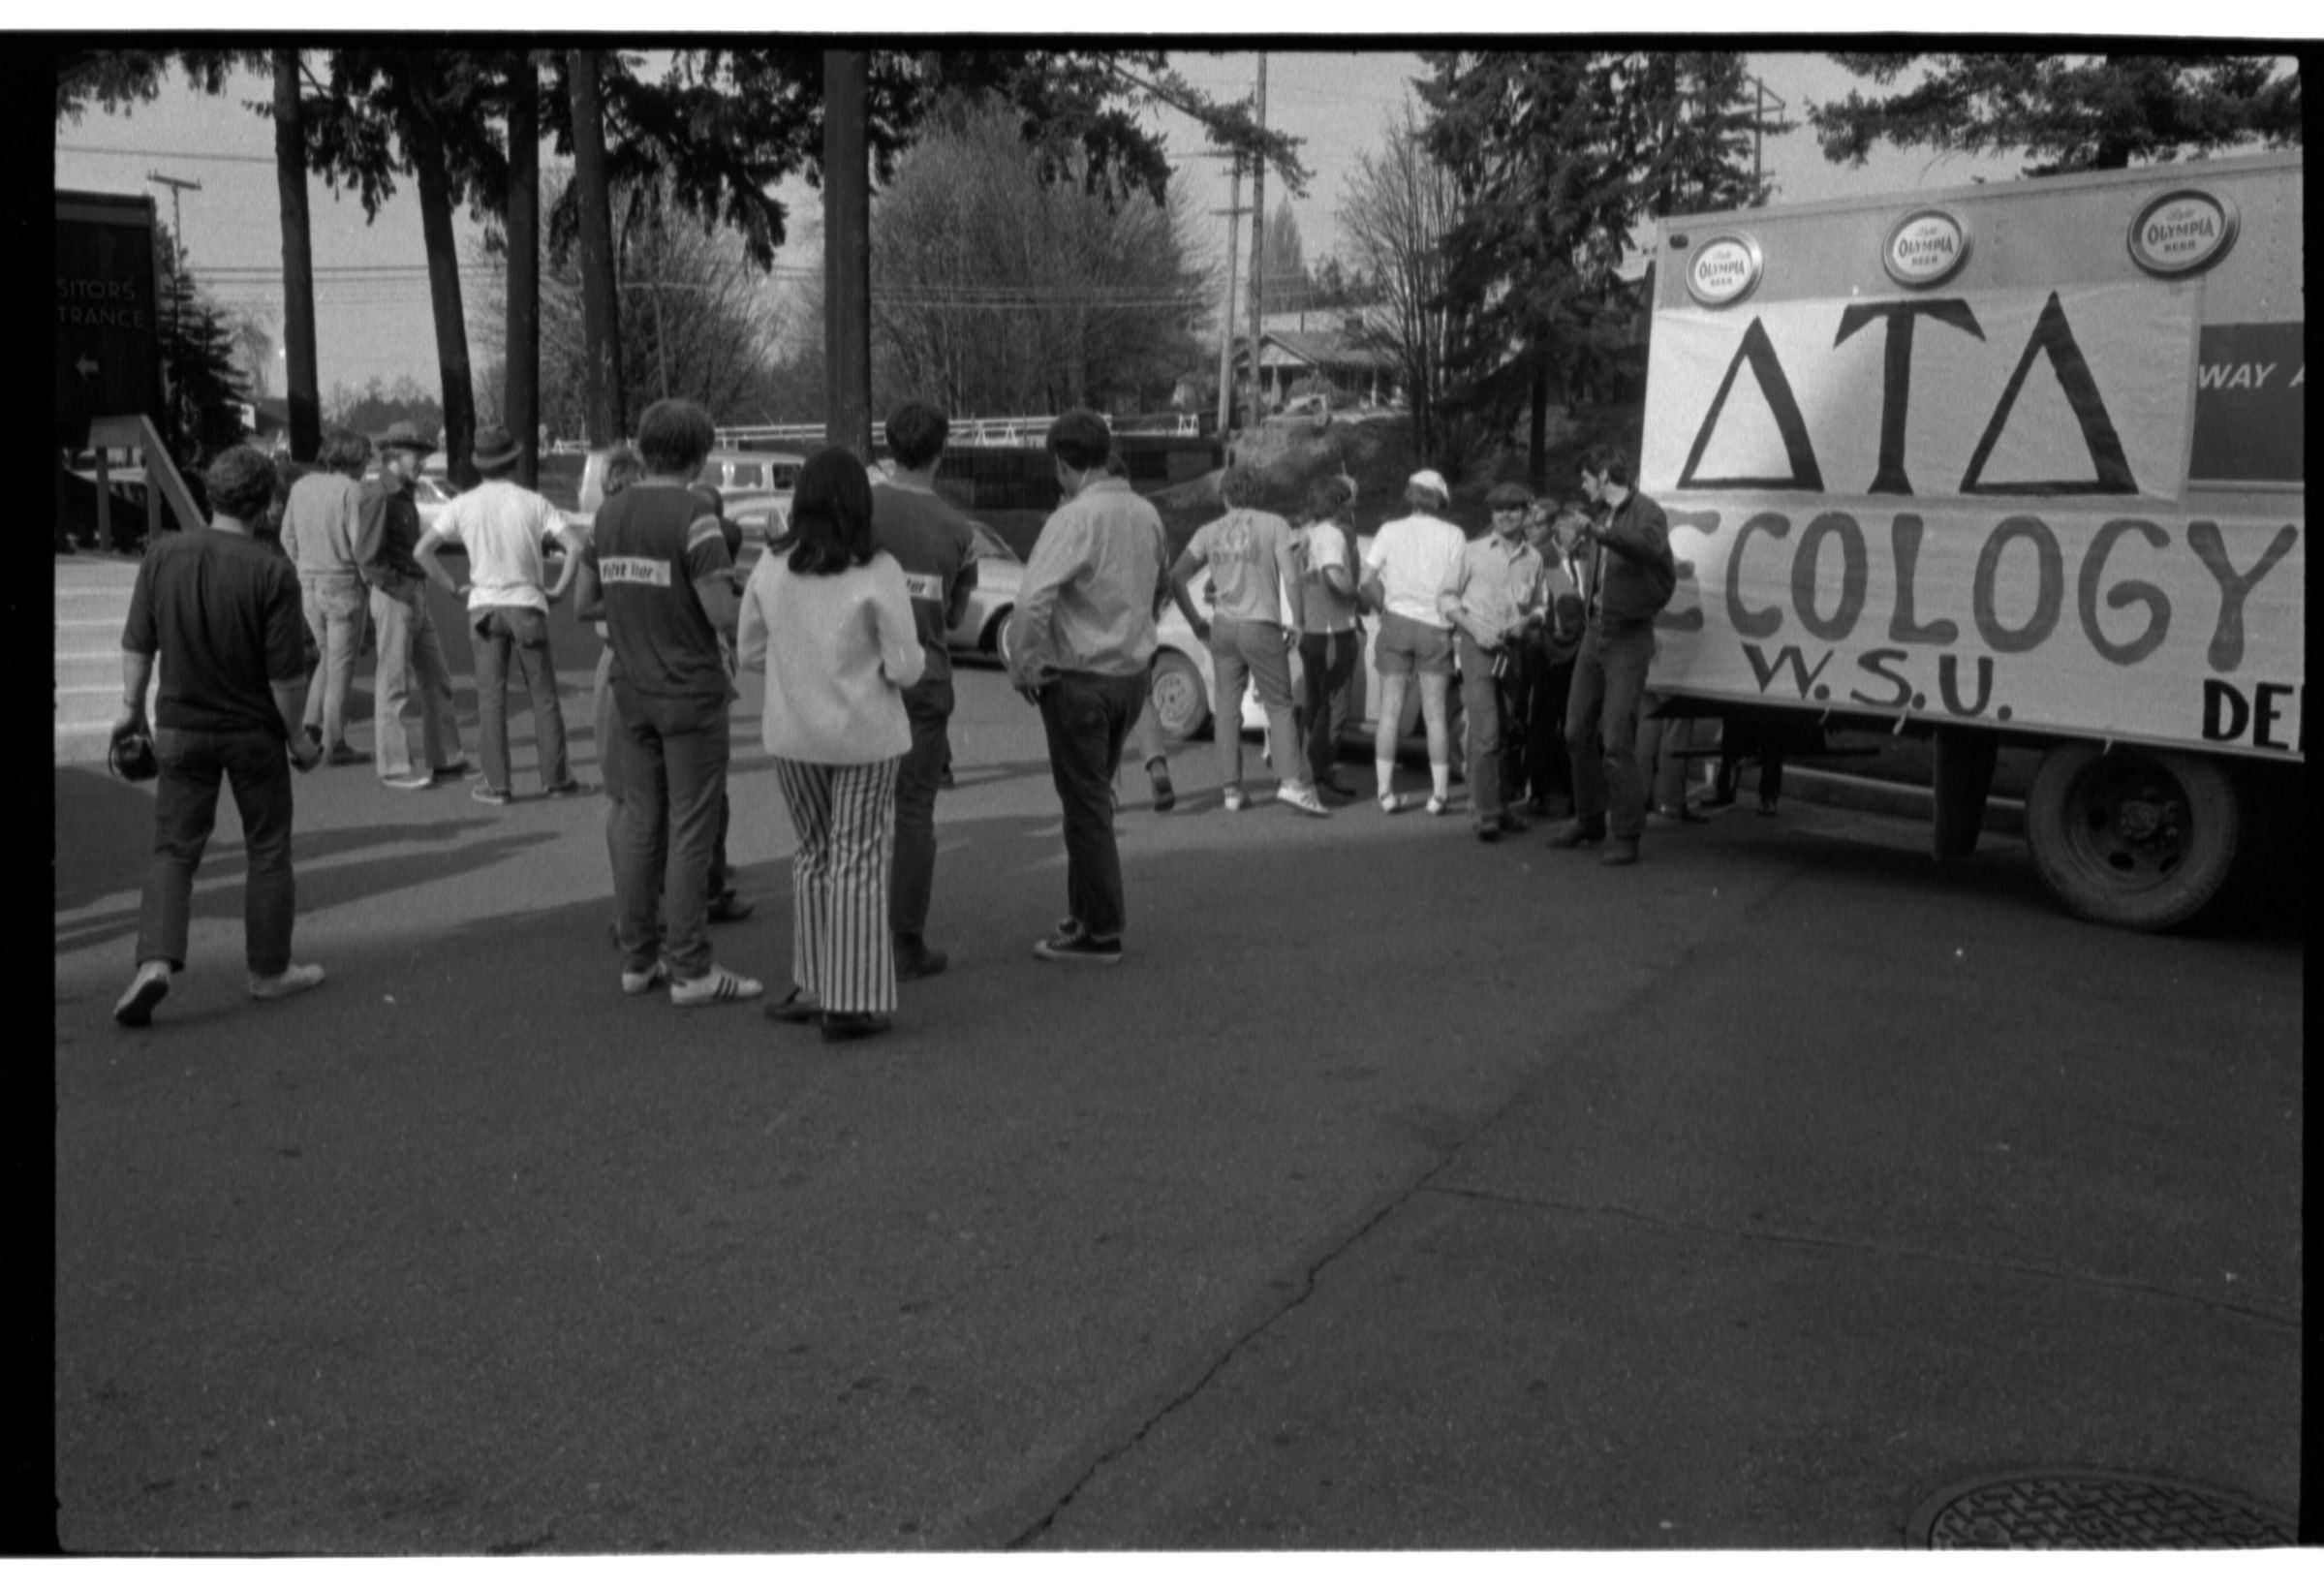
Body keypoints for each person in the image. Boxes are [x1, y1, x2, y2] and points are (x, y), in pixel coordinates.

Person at [111, 446, 325, 1026]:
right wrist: (298, 739)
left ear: (211, 493)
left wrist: (130, 711)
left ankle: (155, 962)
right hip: (252, 733)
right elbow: (286, 678)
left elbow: (137, 645)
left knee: (173, 850)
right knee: (268, 848)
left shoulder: (163, 555)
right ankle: (270, 971)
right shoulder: (272, 571)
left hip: (180, 727)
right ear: (266, 502)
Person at [574, 398, 762, 1008]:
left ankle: (638, 959)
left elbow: (584, 602)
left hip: (630, 687)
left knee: (639, 820)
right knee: (691, 829)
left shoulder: (608, 515)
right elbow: (722, 614)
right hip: (689, 693)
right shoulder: (696, 517)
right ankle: (690, 968)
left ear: (645, 447)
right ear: (700, 455)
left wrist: (639, 608)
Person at [737, 448, 926, 1042]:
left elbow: (749, 651)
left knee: (812, 853)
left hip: (793, 733)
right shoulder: (879, 569)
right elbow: (905, 666)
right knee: (858, 857)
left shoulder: (771, 565)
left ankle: (813, 983)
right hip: (865, 734)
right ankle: (849, 999)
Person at [1004, 410, 1171, 964]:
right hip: (1131, 676)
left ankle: (1100, 929)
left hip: (1080, 679)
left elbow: (1031, 600)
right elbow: (1161, 581)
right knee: (1092, 799)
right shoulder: (1146, 513)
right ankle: (1085, 911)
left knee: (1086, 808)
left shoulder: (1073, 519)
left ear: (1061, 464)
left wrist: (1025, 664)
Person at [414, 423, 585, 804]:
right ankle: (556, 780)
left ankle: (498, 784)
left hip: (484, 606)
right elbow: (574, 546)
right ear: (514, 460)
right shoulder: (533, 502)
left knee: (491, 701)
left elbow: (422, 550)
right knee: (544, 697)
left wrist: (451, 585)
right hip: (527, 603)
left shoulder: (462, 504)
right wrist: (558, 589)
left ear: (479, 464)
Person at [869, 401, 980, 980]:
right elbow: (957, 616)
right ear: (941, 452)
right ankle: (906, 941)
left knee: (854, 812)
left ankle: (849, 939)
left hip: (861, 677)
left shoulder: (860, 509)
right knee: (914, 813)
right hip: (925, 679)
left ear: (889, 448)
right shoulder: (960, 530)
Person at [1168, 464, 1326, 818]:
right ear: (1259, 493)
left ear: (1224, 495)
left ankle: (1231, 789)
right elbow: (1292, 577)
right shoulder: (1275, 525)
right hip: (1261, 624)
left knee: (1226, 707)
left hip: (1223, 626)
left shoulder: (1208, 531)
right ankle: (1291, 782)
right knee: (1279, 705)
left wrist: (1196, 622)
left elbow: (1176, 577)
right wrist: (1298, 621)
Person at [1547, 445, 1677, 866]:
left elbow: (1647, 548)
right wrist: (1574, 545)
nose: (1583, 486)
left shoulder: (1647, 512)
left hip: (1628, 637)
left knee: (1617, 737)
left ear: (1604, 475)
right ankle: (1589, 819)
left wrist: (1599, 534)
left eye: (1587, 478)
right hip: (1595, 632)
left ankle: (1627, 832)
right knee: (1574, 730)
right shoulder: (1600, 515)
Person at [356, 420, 468, 791]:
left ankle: (446, 757)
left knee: (437, 677)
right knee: (394, 684)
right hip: (395, 595)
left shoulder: (402, 493)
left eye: (423, 455)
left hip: (412, 592)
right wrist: (401, 589)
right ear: (393, 455)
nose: (422, 462)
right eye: (415, 455)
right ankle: (393, 766)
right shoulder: (380, 495)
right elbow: (367, 557)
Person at [1442, 481, 1550, 841]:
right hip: (1478, 650)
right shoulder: (1473, 552)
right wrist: (1475, 629)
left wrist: (1529, 622)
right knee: (1486, 731)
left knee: (1506, 731)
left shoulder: (1533, 558)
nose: (1505, 516)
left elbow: (1540, 605)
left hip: (1513, 651)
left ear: (1526, 514)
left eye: (1513, 509)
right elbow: (1445, 598)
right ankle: (1486, 813)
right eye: (1499, 510)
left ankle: (1496, 804)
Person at [1361, 469, 1466, 815]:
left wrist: (1383, 606)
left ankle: (1385, 792)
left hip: (1396, 621)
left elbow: (1367, 579)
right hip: (1435, 625)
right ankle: (1439, 795)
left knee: (1389, 711)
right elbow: (1459, 584)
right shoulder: (1454, 535)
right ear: (1440, 498)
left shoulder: (1389, 530)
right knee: (1435, 714)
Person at [281, 429, 373, 766]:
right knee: (341, 666)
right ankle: (335, 741)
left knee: (327, 656)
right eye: (365, 457)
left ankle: (310, 725)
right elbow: (361, 546)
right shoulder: (352, 490)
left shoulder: (301, 486)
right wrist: (371, 584)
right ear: (353, 458)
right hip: (343, 582)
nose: (367, 464)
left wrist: (304, 566)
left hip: (309, 583)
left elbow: (286, 536)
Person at [1294, 474, 1363, 798]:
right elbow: (1334, 577)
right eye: (1348, 499)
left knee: (1316, 704)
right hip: (1335, 630)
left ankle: (1305, 771)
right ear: (1339, 503)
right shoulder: (1333, 535)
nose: (1353, 505)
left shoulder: (1305, 535)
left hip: (1312, 628)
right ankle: (1316, 773)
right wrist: (1359, 596)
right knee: (1335, 708)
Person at [1520, 501, 1588, 818]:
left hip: (1581, 651)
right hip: (1547, 650)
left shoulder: (1586, 556)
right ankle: (1539, 791)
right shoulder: (1540, 556)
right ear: (1559, 527)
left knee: (1577, 723)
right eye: (1576, 529)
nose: (1582, 536)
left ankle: (1578, 793)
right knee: (1543, 722)